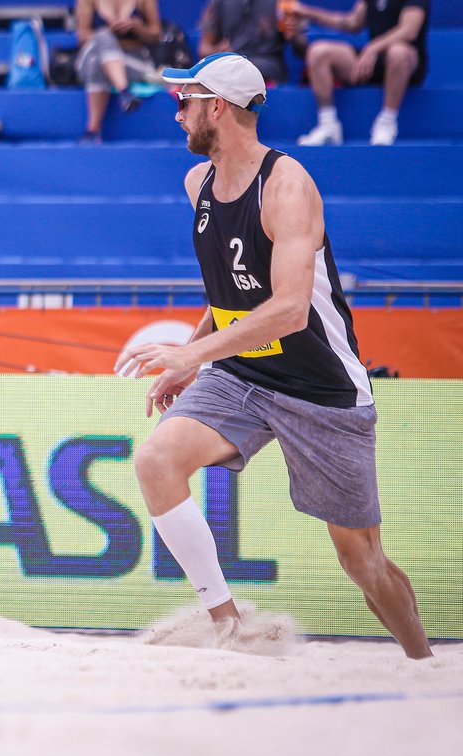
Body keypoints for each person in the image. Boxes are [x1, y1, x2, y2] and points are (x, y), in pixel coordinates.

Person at [115, 53, 432, 658]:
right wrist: (196, 358)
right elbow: (230, 292)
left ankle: (422, 661)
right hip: (242, 373)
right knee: (156, 460)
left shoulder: (286, 186)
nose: (176, 113)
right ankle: (227, 624)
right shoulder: (199, 183)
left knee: (362, 561)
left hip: (321, 387)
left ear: (217, 107)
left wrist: (189, 355)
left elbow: (288, 310)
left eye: (184, 101)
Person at [291, 0, 429, 146]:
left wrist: (373, 48)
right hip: (373, 61)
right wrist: (308, 12)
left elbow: (409, 31)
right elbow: (352, 22)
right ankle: (328, 124)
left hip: (406, 64)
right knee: (318, 52)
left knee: (398, 53)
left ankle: (387, 122)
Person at [74, 0, 163, 144]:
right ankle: (124, 91)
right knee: (102, 36)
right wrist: (111, 31)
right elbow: (82, 37)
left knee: (97, 64)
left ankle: (92, 132)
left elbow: (156, 34)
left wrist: (137, 28)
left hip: (132, 63)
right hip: (91, 57)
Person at [197, 0, 291, 85]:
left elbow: (298, 46)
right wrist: (219, 52)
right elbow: (204, 49)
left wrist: (295, 29)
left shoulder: (283, 3)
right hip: (229, 64)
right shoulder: (218, 2)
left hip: (267, 68)